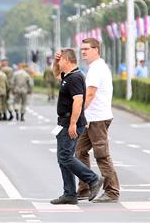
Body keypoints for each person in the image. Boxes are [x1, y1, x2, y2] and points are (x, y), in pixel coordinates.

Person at [50, 48, 103, 205]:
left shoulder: (75, 78)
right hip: (64, 122)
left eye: (60, 60)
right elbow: (55, 73)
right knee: (63, 158)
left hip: (70, 123)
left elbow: (78, 101)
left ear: (67, 60)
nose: (58, 63)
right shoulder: (68, 76)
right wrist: (54, 61)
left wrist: (73, 123)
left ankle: (93, 179)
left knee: (65, 156)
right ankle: (70, 194)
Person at [76, 38, 120, 203]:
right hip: (92, 118)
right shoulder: (95, 67)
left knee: (102, 155)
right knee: (79, 152)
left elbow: (90, 94)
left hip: (98, 119)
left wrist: (80, 112)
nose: (83, 52)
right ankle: (85, 187)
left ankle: (112, 191)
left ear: (96, 50)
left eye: (86, 49)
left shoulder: (97, 69)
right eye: (82, 49)